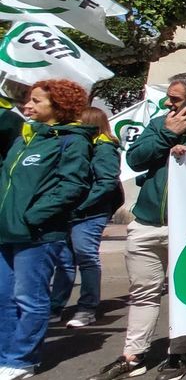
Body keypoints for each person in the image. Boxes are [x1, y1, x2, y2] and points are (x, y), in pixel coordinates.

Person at [92, 73, 186, 380]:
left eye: (174, 98)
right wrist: (166, 135)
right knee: (143, 292)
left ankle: (178, 353)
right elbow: (135, 158)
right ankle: (133, 355)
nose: (167, 103)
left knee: (181, 292)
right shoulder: (159, 123)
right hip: (146, 223)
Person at [0, 79, 92, 380]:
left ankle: (22, 359)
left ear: (59, 106)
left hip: (38, 235)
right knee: (3, 298)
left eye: (37, 101)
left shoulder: (72, 140)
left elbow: (73, 186)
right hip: (6, 231)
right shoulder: (24, 139)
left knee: (30, 299)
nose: (28, 104)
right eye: (29, 99)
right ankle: (5, 355)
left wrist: (33, 216)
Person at [49, 107, 123, 328]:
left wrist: (81, 205)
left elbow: (107, 182)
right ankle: (55, 307)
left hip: (91, 213)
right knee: (64, 260)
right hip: (74, 211)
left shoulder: (104, 148)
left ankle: (87, 309)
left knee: (86, 257)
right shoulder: (82, 146)